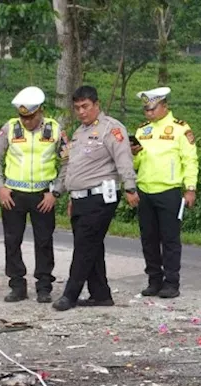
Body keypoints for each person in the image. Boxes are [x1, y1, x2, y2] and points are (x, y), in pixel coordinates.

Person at [52, 86, 139, 311]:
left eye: (85, 106)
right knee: (91, 246)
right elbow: (71, 166)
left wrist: (130, 187)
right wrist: (68, 193)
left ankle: (70, 295)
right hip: (81, 197)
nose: (81, 112)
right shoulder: (79, 133)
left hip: (101, 196)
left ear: (96, 105)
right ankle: (101, 294)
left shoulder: (111, 129)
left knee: (84, 246)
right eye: (77, 108)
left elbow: (123, 159)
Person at [0, 86, 65, 304]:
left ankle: (44, 286)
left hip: (43, 195)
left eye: (30, 117)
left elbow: (68, 162)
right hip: (13, 194)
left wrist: (56, 192)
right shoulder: (10, 128)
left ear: (40, 111)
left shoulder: (55, 129)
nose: (26, 121)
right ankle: (17, 285)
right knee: (12, 240)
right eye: (23, 117)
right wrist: (0, 187)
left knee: (44, 241)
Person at [131, 87, 198, 299]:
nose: (149, 113)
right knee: (148, 239)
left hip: (169, 191)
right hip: (145, 190)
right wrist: (133, 155)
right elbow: (135, 163)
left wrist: (190, 188)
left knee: (170, 239)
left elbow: (190, 161)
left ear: (164, 106)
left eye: (152, 108)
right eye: (146, 110)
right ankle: (154, 280)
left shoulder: (180, 129)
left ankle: (171, 282)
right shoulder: (143, 131)